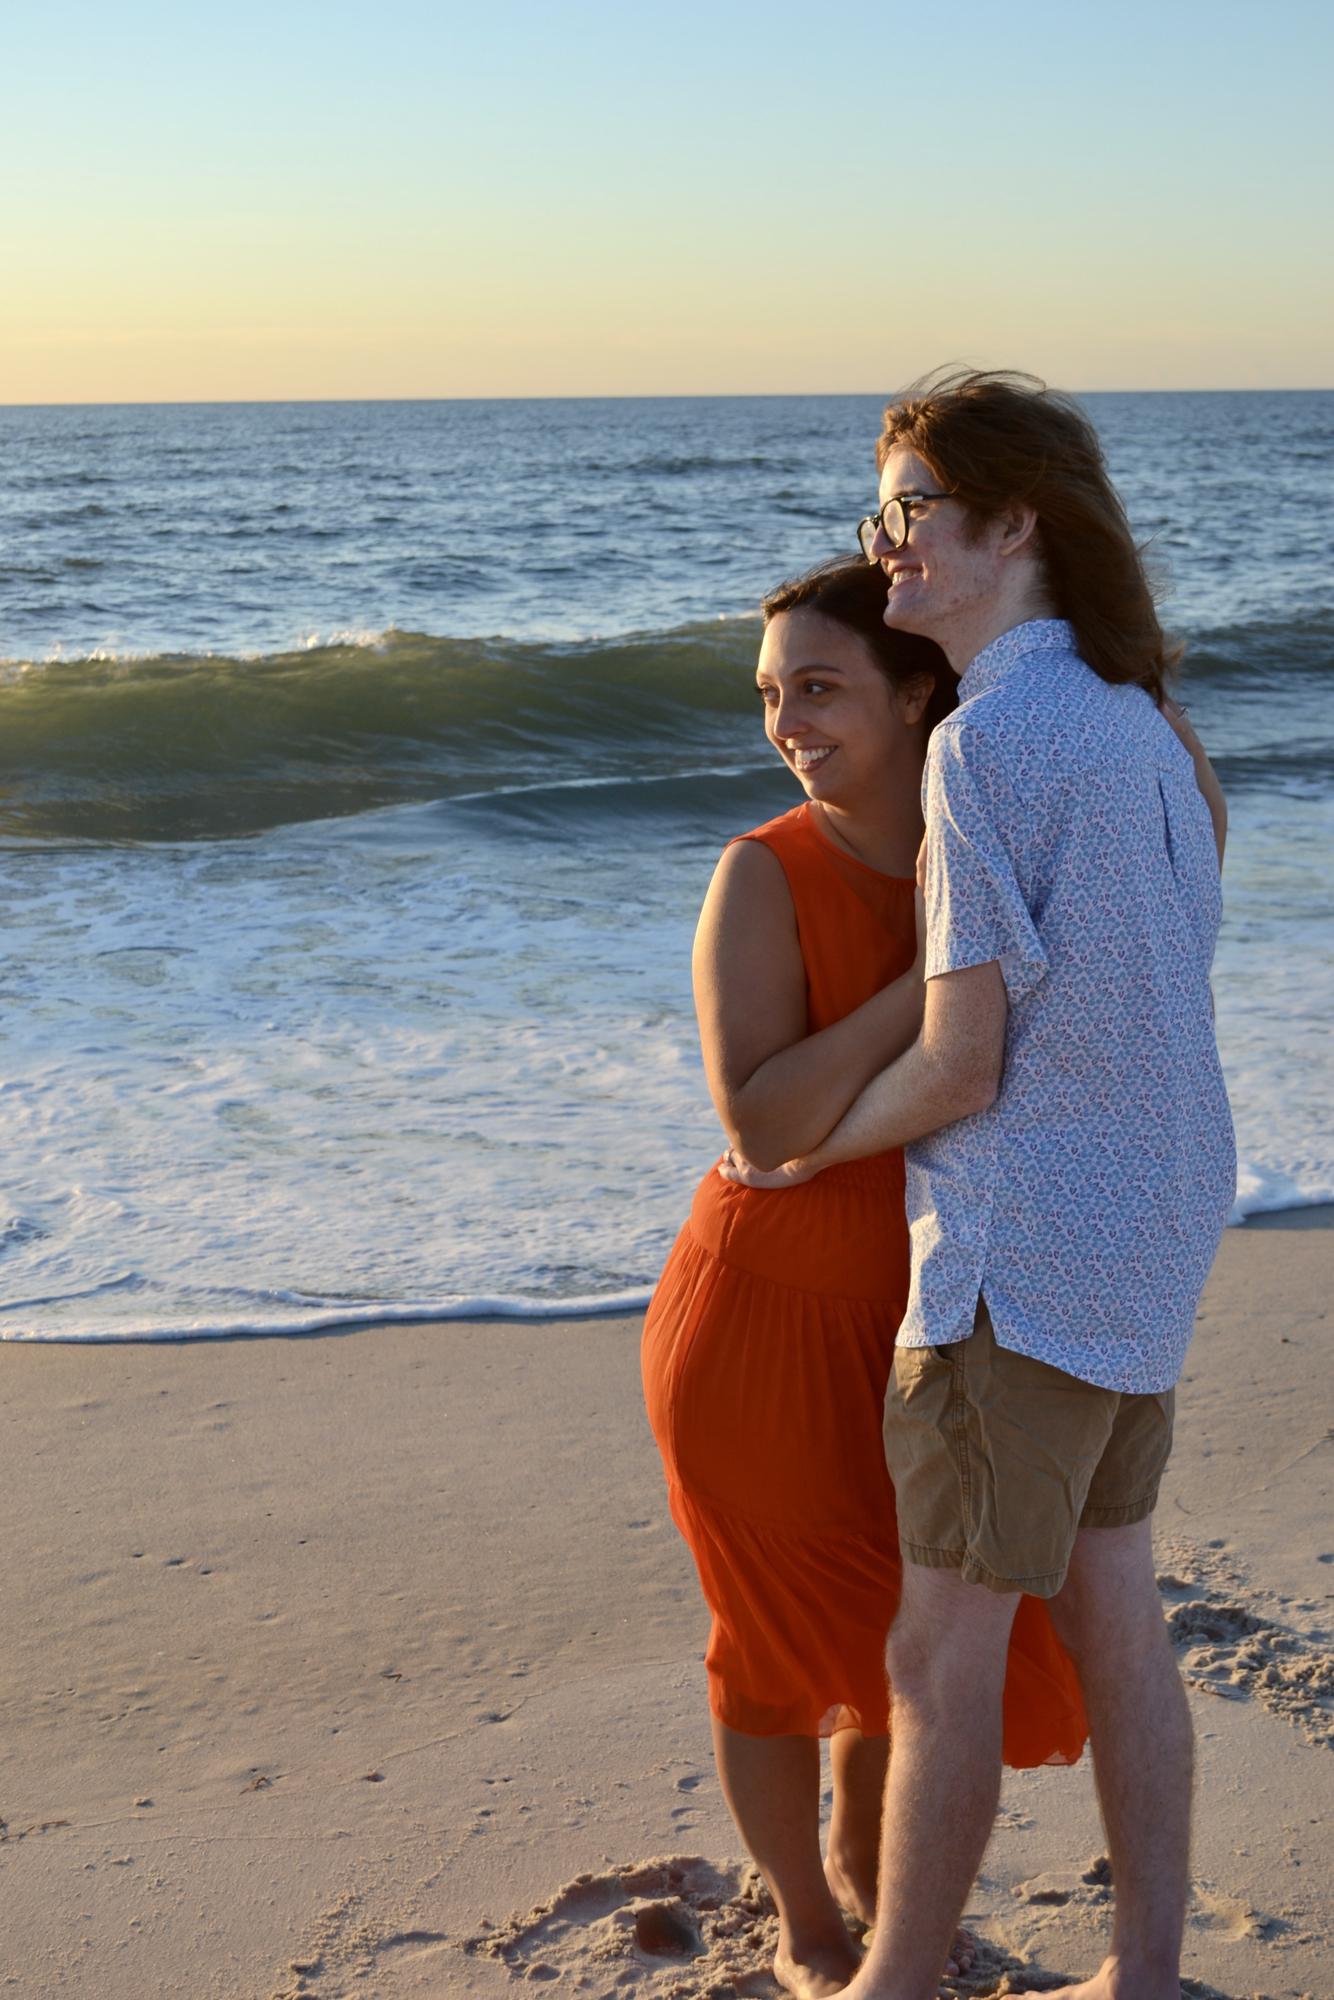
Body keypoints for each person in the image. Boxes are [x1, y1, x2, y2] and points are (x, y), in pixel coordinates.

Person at [723, 371, 1235, 2000]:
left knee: (937, 1657)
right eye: (882, 518)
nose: (887, 550)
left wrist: (793, 1146)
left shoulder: (991, 740)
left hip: (1019, 1265)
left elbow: (962, 1064)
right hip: (1149, 1242)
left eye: (913, 513)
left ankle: (889, 1987)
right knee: (1115, 1618)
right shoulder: (1135, 719)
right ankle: (1138, 1975)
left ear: (1015, 525)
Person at [642, 555, 1089, 2000]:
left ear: (917, 694)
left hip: (937, 1315)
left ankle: (869, 1883)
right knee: (772, 1650)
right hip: (759, 1327)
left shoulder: (1006, 849)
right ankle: (808, 1929)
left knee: (912, 1644)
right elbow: (761, 1122)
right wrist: (941, 978)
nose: (786, 720)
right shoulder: (761, 873)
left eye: (819, 688)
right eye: (770, 695)